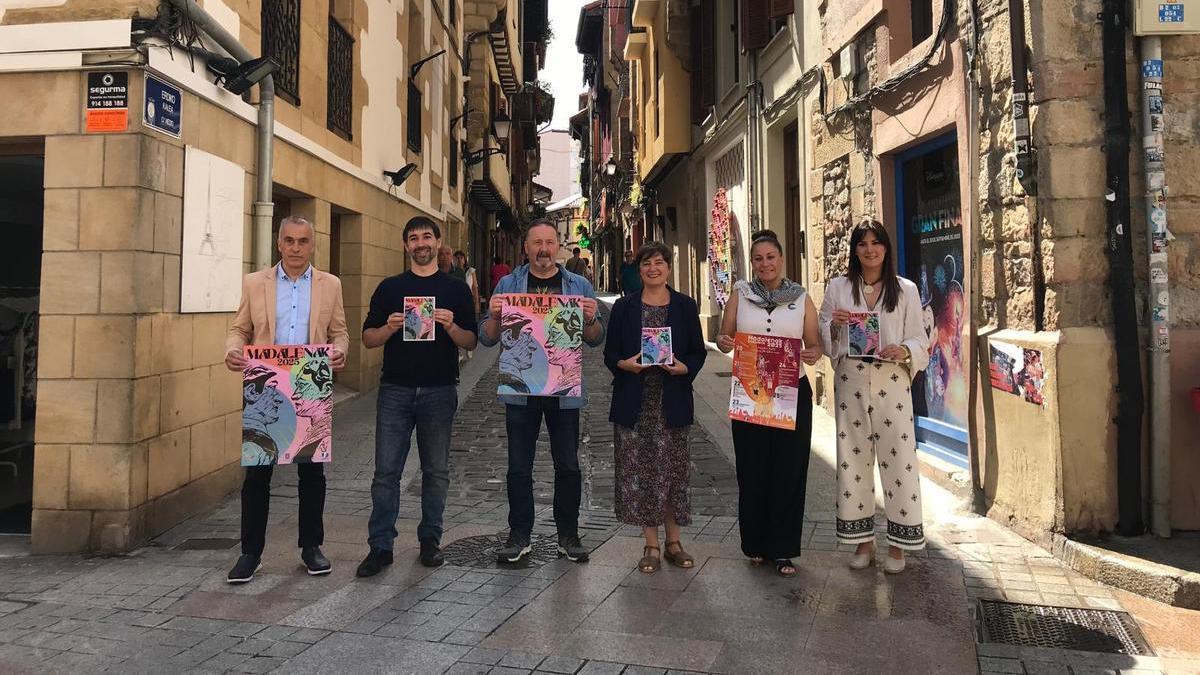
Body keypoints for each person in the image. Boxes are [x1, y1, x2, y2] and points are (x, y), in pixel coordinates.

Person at [223, 215, 350, 584]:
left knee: (312, 473)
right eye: (289, 241)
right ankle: (251, 553)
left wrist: (339, 352)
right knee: (257, 474)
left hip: (309, 381)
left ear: (313, 245)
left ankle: (311, 548)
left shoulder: (331, 285)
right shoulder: (254, 283)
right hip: (266, 382)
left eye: (303, 241)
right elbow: (239, 329)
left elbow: (339, 332)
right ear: (279, 244)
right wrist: (232, 350)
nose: (296, 248)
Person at [355, 217, 479, 576]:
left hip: (440, 390)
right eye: (413, 238)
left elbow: (472, 341)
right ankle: (380, 547)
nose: (420, 243)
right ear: (406, 245)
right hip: (394, 390)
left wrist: (451, 325)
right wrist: (389, 327)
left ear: (438, 242)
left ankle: (430, 541)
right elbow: (368, 339)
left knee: (436, 472)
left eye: (427, 236)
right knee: (385, 473)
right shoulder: (389, 289)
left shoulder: (455, 289)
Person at [479, 218, 605, 564]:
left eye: (549, 242)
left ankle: (568, 535)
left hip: (563, 389)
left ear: (557, 246)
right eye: (537, 243)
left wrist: (592, 320)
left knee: (568, 465)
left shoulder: (578, 285)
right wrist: (492, 315)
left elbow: (595, 341)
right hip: (520, 389)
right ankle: (519, 534)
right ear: (526, 247)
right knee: (519, 466)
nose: (544, 249)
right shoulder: (508, 284)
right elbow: (488, 337)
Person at [818, 220, 929, 574]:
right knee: (852, 459)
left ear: (886, 248)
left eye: (876, 243)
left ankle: (899, 546)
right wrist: (834, 326)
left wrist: (905, 350)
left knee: (900, 460)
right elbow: (822, 334)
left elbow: (920, 337)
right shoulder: (838, 288)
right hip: (851, 379)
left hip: (891, 381)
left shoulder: (906, 289)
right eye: (862, 244)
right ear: (855, 250)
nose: (869, 250)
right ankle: (863, 541)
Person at [715, 230, 822, 578]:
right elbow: (723, 338)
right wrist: (725, 342)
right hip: (750, 393)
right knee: (752, 468)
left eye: (770, 257)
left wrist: (813, 353)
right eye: (758, 258)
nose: (765, 264)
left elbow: (815, 344)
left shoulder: (802, 297)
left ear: (781, 259)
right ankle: (756, 544)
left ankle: (783, 549)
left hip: (791, 394)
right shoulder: (740, 295)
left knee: (788, 472)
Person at [604, 242, 706, 573]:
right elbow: (610, 354)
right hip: (635, 402)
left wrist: (685, 368)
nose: (653, 268)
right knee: (642, 474)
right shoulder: (623, 308)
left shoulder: (686, 306)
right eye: (646, 263)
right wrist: (624, 364)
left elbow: (697, 352)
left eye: (659, 262)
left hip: (672, 401)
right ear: (639, 269)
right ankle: (651, 543)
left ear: (668, 268)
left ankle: (674, 542)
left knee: (674, 473)